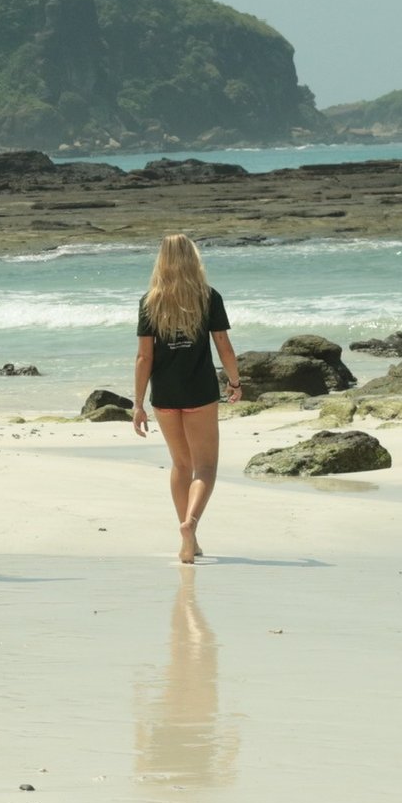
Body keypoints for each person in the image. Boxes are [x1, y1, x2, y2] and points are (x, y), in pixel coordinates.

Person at [131, 234, 243, 564]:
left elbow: (143, 357)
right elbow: (223, 345)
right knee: (205, 467)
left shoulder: (150, 301)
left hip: (164, 394)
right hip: (199, 391)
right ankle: (190, 525)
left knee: (181, 464)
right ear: (193, 259)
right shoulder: (208, 297)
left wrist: (137, 403)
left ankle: (189, 541)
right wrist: (235, 382)